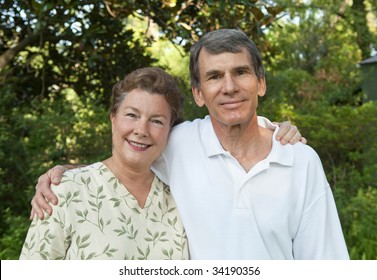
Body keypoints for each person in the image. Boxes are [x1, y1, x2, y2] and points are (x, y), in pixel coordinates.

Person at [31, 29, 345, 260]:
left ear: (260, 83)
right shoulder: (178, 143)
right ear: (198, 93)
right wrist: (65, 174)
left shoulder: (300, 161)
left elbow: (324, 260)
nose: (229, 87)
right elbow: (127, 162)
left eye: (240, 72)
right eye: (214, 77)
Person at [20, 67, 189, 260]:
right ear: (113, 118)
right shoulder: (66, 190)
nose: (141, 130)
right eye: (132, 115)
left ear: (170, 130)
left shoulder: (180, 197)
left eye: (157, 121)